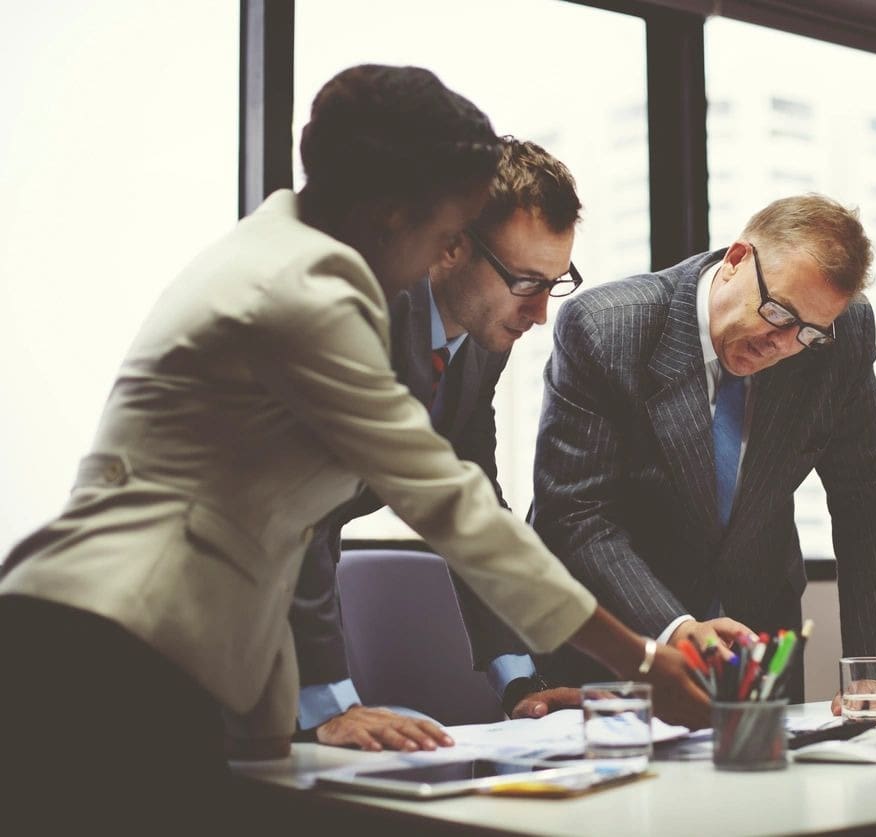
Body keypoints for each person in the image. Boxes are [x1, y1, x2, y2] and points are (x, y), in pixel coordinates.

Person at [0, 65, 707, 829]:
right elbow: (446, 501)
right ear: (391, 216)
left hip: (162, 647)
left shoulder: (292, 251)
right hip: (107, 642)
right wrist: (638, 659)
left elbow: (318, 510)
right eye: (444, 235)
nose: (443, 257)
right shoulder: (310, 291)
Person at [527, 193, 876, 713]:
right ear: (736, 261)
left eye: (807, 333)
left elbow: (870, 505)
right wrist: (675, 628)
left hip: (757, 643)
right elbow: (576, 516)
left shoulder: (839, 337)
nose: (781, 344)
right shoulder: (607, 328)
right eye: (778, 312)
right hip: (620, 646)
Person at [292, 137, 589, 752]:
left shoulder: (482, 343)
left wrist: (520, 683)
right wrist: (329, 701)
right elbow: (298, 515)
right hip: (206, 600)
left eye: (555, 284)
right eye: (525, 282)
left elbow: (471, 507)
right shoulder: (357, 313)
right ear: (451, 247)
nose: (538, 315)